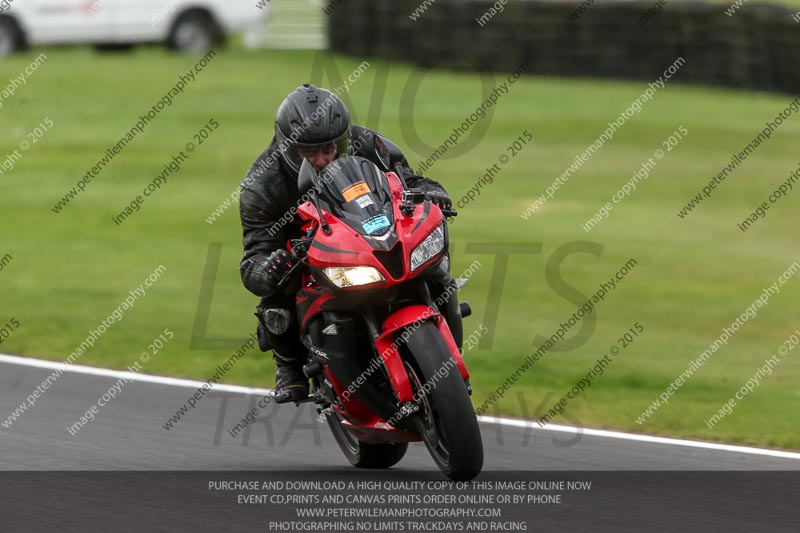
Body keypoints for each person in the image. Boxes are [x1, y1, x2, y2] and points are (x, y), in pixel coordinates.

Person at [239, 83, 456, 403]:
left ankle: (443, 322)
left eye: (330, 149)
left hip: (368, 229)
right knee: (276, 293)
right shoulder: (261, 186)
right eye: (310, 154)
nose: (323, 160)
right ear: (289, 149)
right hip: (306, 248)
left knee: (433, 260)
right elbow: (253, 258)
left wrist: (434, 192)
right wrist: (268, 267)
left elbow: (410, 179)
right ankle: (288, 365)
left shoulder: (366, 142)